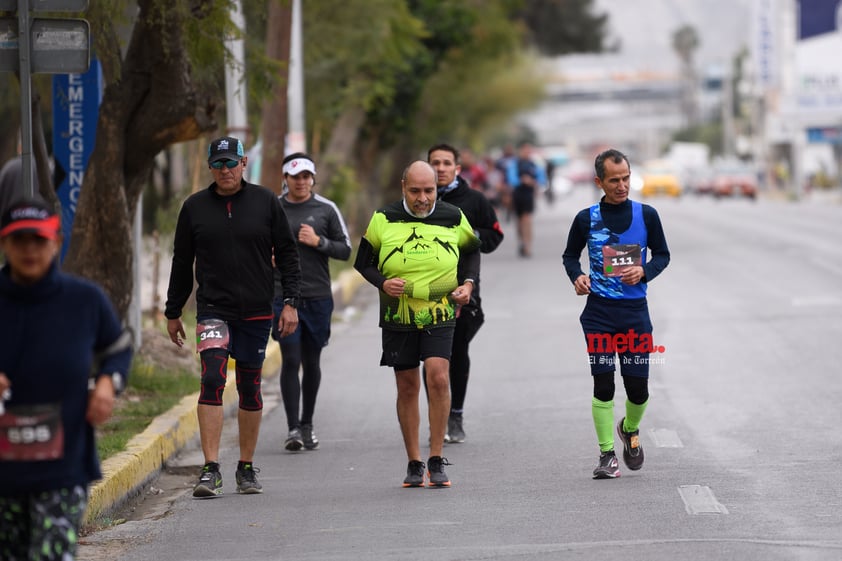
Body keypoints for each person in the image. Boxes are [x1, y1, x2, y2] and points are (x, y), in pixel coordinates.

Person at [164, 136, 301, 497]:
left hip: (256, 311)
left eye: (231, 163)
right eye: (219, 164)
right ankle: (209, 469)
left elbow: (287, 253)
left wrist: (289, 302)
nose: (225, 170)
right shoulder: (194, 207)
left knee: (249, 387)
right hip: (213, 309)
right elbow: (181, 261)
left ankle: (245, 467)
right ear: (211, 167)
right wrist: (173, 310)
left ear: (243, 164)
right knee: (211, 377)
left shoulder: (265, 202)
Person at [0, 198, 132, 561]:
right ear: (4, 244)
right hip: (3, 471)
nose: (29, 249)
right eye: (20, 240)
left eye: (38, 240)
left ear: (56, 242)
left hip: (63, 464)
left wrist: (108, 384)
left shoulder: (84, 300)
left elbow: (118, 349)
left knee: (51, 556)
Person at [353, 161, 480, 488]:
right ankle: (414, 461)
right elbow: (363, 262)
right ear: (403, 187)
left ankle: (436, 458)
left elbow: (471, 252)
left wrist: (467, 284)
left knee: (438, 377)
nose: (423, 198)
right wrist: (382, 283)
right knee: (407, 385)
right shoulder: (383, 218)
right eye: (415, 191)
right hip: (399, 313)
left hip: (440, 309)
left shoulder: (452, 216)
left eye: (429, 191)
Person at [561, 148, 670, 479]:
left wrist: (645, 272)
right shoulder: (585, 219)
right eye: (614, 180)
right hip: (598, 315)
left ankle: (630, 428)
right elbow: (569, 256)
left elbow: (663, 255)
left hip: (635, 314)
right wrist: (577, 277)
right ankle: (606, 455)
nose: (622, 186)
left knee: (638, 390)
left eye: (626, 178)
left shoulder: (646, 214)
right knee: (603, 383)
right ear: (599, 181)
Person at [272, 153, 352, 451]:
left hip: (318, 295)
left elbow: (346, 250)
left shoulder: (326, 209)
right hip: (282, 296)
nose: (301, 182)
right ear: (286, 179)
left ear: (313, 178)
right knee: (290, 359)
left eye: (306, 176)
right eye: (295, 177)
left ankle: (307, 424)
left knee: (311, 361)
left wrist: (319, 242)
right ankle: (293, 428)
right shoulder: (274, 208)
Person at [426, 143, 504, 443]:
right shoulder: (420, 201)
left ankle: (455, 415)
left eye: (447, 163)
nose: (441, 168)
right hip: (424, 292)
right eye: (435, 162)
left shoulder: (473, 200)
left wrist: (468, 235)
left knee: (457, 353)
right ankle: (438, 416)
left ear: (458, 168)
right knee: (431, 357)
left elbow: (494, 234)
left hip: (463, 290)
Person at [506, 142, 546, 258]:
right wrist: (521, 180)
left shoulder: (534, 164)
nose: (527, 152)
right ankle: (522, 242)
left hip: (528, 195)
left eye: (529, 150)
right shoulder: (514, 163)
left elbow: (541, 179)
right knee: (519, 221)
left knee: (527, 219)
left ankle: (528, 245)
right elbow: (511, 179)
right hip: (517, 194)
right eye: (525, 150)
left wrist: (531, 182)